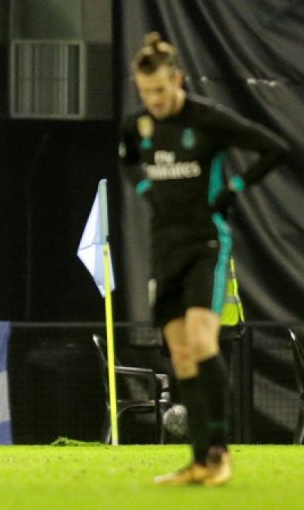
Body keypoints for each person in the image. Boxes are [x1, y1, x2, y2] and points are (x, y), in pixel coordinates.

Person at [119, 32, 288, 486]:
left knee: (201, 340)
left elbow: (275, 148)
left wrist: (233, 190)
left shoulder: (208, 120)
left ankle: (219, 453)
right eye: (145, 92)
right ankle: (198, 461)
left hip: (206, 244)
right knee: (181, 354)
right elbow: (127, 158)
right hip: (164, 250)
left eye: (160, 90)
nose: (153, 100)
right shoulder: (137, 126)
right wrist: (144, 188)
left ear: (179, 79)